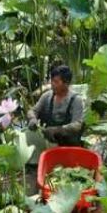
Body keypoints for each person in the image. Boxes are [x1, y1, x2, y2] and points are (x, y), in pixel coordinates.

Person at [24, 65, 85, 195]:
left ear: (66, 83)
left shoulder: (76, 100)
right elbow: (32, 111)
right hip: (49, 147)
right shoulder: (47, 97)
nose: (52, 84)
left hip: (70, 148)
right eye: (52, 81)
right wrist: (32, 119)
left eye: (56, 82)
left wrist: (58, 129)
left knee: (69, 180)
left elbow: (78, 125)